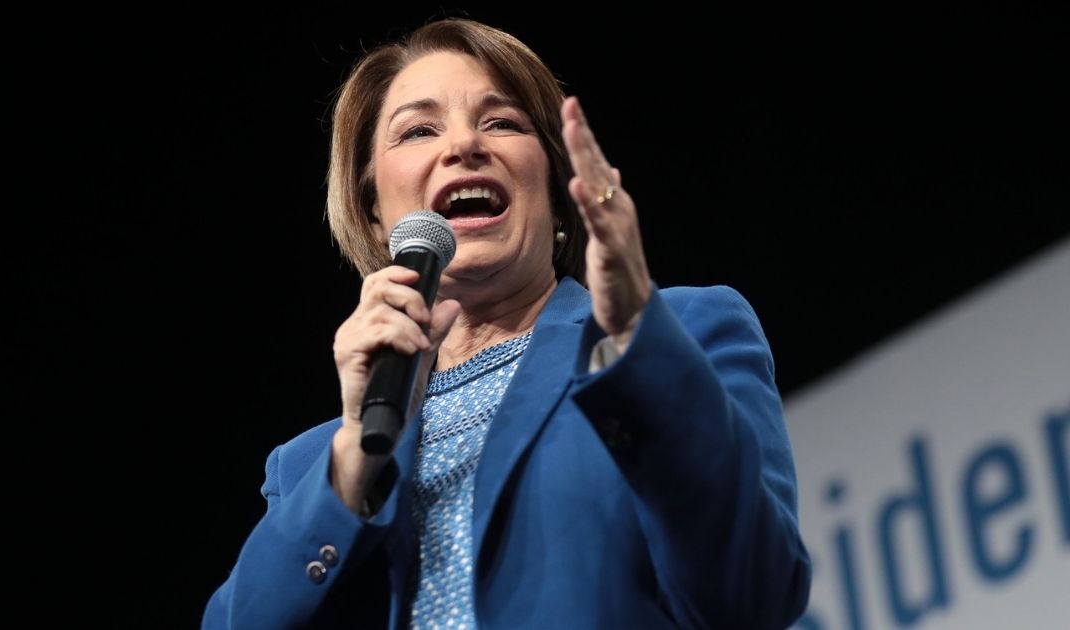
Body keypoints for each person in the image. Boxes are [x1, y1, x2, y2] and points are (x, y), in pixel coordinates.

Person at [203, 17, 810, 629]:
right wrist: (358, 452)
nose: (464, 145)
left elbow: (755, 594)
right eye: (418, 130)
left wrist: (633, 340)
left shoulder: (680, 336)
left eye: (501, 122)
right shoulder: (310, 467)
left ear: (554, 186)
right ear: (372, 212)